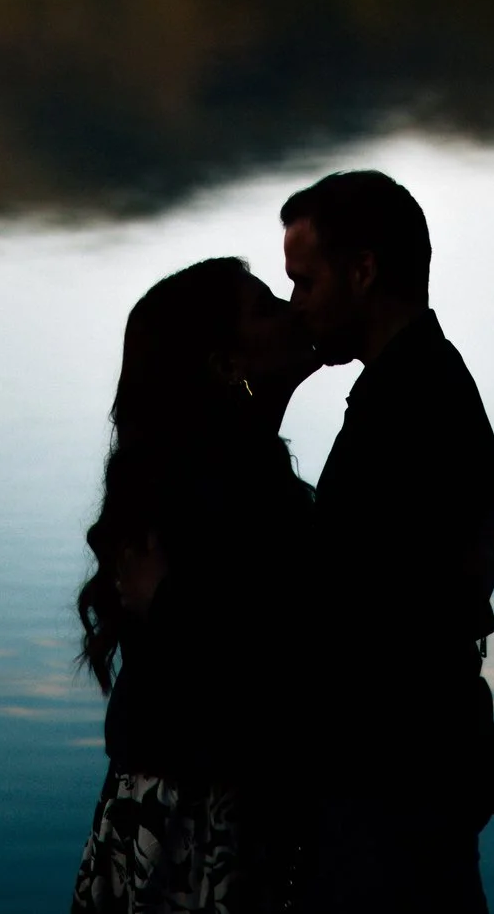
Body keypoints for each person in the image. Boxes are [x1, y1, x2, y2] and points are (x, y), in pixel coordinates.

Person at [266, 170, 494, 914]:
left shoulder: (408, 410)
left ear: (363, 270)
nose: (294, 306)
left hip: (394, 791)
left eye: (305, 281)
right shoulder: (419, 385)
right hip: (414, 780)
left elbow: (348, 607)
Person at [72, 257, 316, 914]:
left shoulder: (233, 477)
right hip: (197, 819)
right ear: (224, 364)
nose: (296, 308)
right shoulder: (221, 493)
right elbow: (252, 664)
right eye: (267, 307)